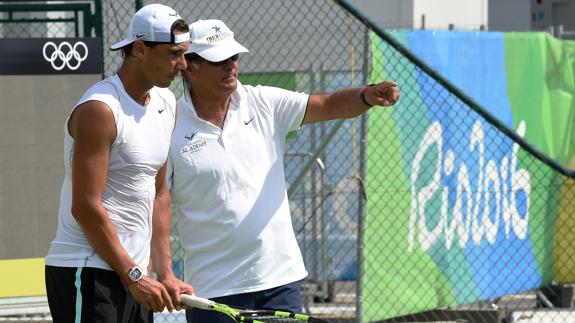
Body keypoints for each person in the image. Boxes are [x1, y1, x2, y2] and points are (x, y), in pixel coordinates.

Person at [168, 19, 400, 322]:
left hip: (279, 281)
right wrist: (160, 270)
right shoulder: (168, 122)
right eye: (218, 60)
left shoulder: (263, 101)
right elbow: (157, 202)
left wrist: (364, 96)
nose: (230, 66)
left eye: (233, 57)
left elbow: (329, 104)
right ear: (190, 65)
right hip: (211, 290)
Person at [44, 4, 194, 322]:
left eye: (184, 54)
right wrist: (134, 275)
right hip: (86, 270)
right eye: (172, 54)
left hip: (134, 274)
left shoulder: (166, 103)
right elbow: (85, 206)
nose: (182, 65)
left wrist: (164, 272)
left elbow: (159, 193)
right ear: (139, 49)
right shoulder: (100, 110)